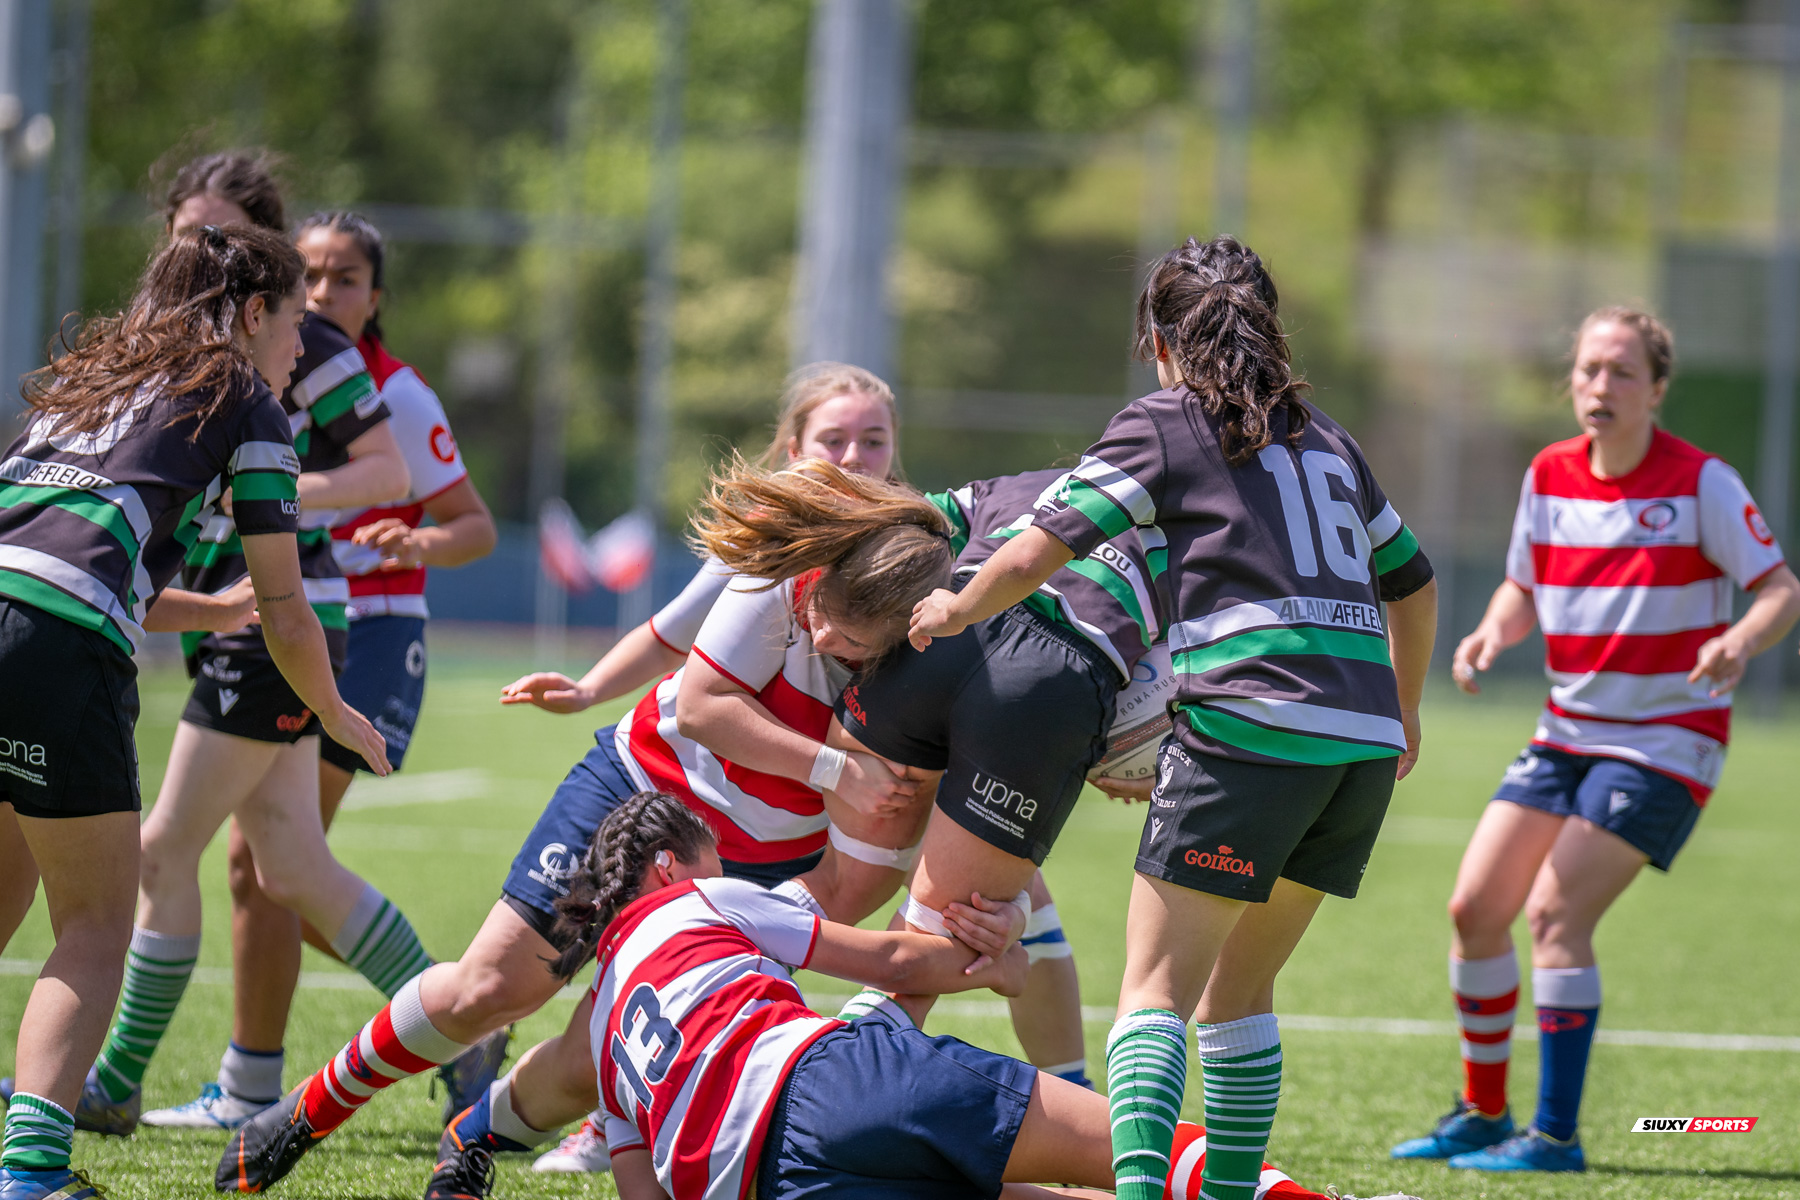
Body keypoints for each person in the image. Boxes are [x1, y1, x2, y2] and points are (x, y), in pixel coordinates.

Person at [217, 458, 967, 1194]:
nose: (826, 641)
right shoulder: (787, 567)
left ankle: (470, 1133)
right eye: (822, 622)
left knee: (594, 1057)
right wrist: (838, 771)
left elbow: (873, 857)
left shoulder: (929, 660)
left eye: (851, 644)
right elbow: (705, 706)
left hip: (754, 868)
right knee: (491, 988)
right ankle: (311, 1109)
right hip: (641, 791)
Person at [910, 235, 1440, 1200]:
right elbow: (1413, 582)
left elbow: (1038, 551)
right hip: (1355, 744)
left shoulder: (1165, 423)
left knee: (1154, 995)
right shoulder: (1329, 441)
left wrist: (953, 608)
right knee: (1240, 995)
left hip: (1252, 728)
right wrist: (1403, 709)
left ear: (1156, 340)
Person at [505, 370, 1094, 1174]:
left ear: (897, 450)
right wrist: (589, 690)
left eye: (874, 439)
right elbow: (677, 638)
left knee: (1012, 898)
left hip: (840, 804)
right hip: (730, 793)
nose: (855, 455)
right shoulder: (782, 540)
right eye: (833, 439)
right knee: (533, 980)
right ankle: (603, 1105)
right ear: (794, 449)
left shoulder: (920, 554)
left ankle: (1072, 1101)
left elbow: (991, 676)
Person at [45, 153, 440, 1138]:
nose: (197, 252)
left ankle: (119, 1078)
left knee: (163, 846)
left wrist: (255, 487)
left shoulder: (295, 353)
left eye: (217, 235)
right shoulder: (163, 353)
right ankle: (460, 1020)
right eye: (185, 235)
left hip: (280, 612)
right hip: (229, 610)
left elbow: (388, 471)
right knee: (292, 863)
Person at [0, 225, 389, 1200]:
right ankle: (35, 1172)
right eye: (297, 320)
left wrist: (210, 610)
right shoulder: (247, 399)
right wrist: (337, 710)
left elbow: (59, 551)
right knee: (92, 920)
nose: (302, 347)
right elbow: (291, 607)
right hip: (57, 647)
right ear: (255, 313)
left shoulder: (92, 377)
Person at [1388, 307, 1800, 1173]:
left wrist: (1739, 641)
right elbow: (1521, 584)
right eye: (1586, 370)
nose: (1599, 387)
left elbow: (1779, 591)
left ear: (1656, 389)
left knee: (1555, 912)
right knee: (1475, 909)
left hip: (1667, 740)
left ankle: (1555, 1139)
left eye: (1620, 372)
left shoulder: (1702, 484)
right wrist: (1492, 634)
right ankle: (1483, 1113)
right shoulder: (1550, 475)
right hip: (1567, 730)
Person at [144, 210, 501, 1132]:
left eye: (345, 278)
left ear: (375, 297)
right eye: (309, 275)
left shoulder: (384, 387)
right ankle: (274, 1075)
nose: (323, 294)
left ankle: (227, 1080)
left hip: (358, 627)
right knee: (278, 863)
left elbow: (470, 523)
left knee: (261, 865)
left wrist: (406, 533)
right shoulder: (262, 362)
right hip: (291, 613)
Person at [827, 465, 1170, 1090]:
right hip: (1049, 680)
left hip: (938, 639)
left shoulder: (1045, 481)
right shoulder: (1206, 528)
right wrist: (1153, 752)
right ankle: (823, 1097)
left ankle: (728, 978)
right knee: (947, 934)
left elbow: (906, 524)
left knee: (839, 886)